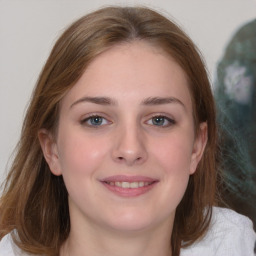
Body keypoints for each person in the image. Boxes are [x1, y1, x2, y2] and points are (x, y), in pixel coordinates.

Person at [0, 6, 255, 256]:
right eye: (96, 119)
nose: (130, 149)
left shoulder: (236, 244)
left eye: (159, 120)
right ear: (52, 149)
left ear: (197, 147)